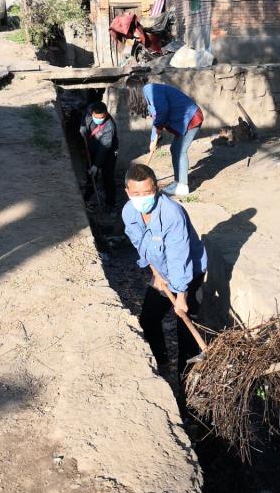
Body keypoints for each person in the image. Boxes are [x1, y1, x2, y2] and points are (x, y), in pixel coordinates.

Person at [122, 163, 208, 382]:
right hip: (162, 273)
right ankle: (162, 365)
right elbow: (139, 243)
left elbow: (180, 258)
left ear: (157, 189)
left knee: (185, 332)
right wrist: (156, 272)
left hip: (189, 275)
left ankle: (185, 384)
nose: (142, 198)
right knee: (148, 320)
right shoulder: (129, 212)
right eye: (136, 194)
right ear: (127, 192)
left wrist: (181, 295)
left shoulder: (172, 215)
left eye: (147, 192)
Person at [126, 74, 203, 197]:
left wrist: (157, 132)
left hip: (191, 117)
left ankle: (183, 187)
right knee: (175, 149)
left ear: (134, 89)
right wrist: (153, 139)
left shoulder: (151, 90)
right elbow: (157, 118)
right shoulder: (147, 94)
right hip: (183, 121)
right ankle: (178, 182)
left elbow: (162, 111)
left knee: (180, 151)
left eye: (129, 91)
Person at [79, 100, 118, 211]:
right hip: (93, 146)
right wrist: (83, 127)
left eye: (102, 117)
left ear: (106, 114)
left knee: (108, 177)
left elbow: (104, 148)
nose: (99, 119)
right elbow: (84, 118)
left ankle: (111, 203)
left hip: (109, 151)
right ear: (92, 113)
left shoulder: (109, 126)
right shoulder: (89, 110)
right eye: (96, 117)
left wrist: (96, 165)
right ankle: (89, 193)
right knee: (90, 174)